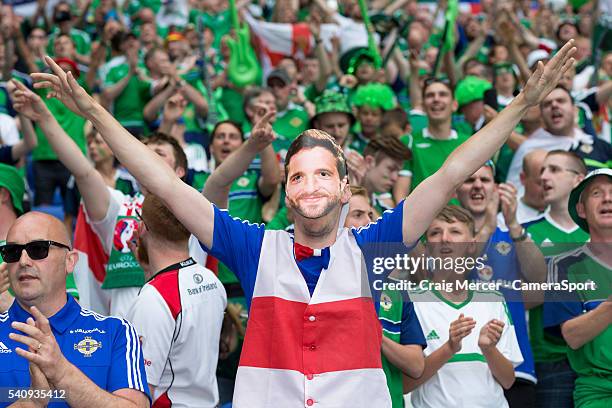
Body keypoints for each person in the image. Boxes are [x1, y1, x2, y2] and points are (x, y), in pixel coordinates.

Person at [30, 42, 577, 406]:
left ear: (345, 187)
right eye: (297, 176)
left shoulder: (375, 246)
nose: (310, 186)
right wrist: (94, 112)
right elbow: (168, 185)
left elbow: (455, 167)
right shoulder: (252, 247)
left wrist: (523, 103)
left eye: (323, 175)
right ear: (285, 190)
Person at [8, 79, 207, 318]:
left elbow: (220, 183)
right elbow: (83, 171)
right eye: (144, 156)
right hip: (125, 338)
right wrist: (44, 118)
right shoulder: (121, 206)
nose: (149, 162)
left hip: (187, 325)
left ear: (180, 171)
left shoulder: (198, 209)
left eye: (159, 155)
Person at [0, 212, 149, 408]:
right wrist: (30, 403)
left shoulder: (115, 332)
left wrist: (61, 372)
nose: (23, 261)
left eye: (38, 249)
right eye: (12, 251)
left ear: (70, 261)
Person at [406, 205, 523, 407]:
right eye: (435, 232)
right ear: (425, 246)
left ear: (471, 245)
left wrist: (488, 349)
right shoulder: (410, 301)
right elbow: (405, 385)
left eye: (455, 232)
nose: (445, 238)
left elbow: (508, 380)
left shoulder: (493, 299)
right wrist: (449, 348)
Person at [457, 163, 545, 407]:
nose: (477, 185)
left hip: (516, 366)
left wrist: (514, 224)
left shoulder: (515, 232)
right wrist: (488, 225)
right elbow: (456, 272)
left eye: (484, 180)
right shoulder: (444, 233)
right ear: (456, 191)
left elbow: (541, 280)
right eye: (469, 180)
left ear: (496, 188)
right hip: (461, 368)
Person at [127, 194, 226, 407]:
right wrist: (149, 273)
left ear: (142, 228)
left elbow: (140, 395)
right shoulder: (212, 280)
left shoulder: (154, 299)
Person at [343, 186, 426, 408]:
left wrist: (376, 335)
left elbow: (417, 366)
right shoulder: (315, 282)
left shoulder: (397, 292)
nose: (369, 221)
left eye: (371, 214)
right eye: (358, 215)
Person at [524, 151, 589, 408]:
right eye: (541, 171)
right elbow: (516, 299)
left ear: (578, 180)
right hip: (549, 359)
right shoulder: (526, 233)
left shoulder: (601, 232)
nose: (543, 177)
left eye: (554, 170)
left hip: (599, 361)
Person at [544, 168, 612, 408]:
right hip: (598, 394)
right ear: (581, 210)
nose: (607, 198)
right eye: (597, 193)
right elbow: (572, 336)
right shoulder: (563, 266)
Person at [507, 86, 612, 188]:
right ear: (541, 116)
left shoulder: (602, 147)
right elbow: (515, 193)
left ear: (575, 110)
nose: (554, 105)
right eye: (547, 104)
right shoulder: (529, 150)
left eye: (561, 101)